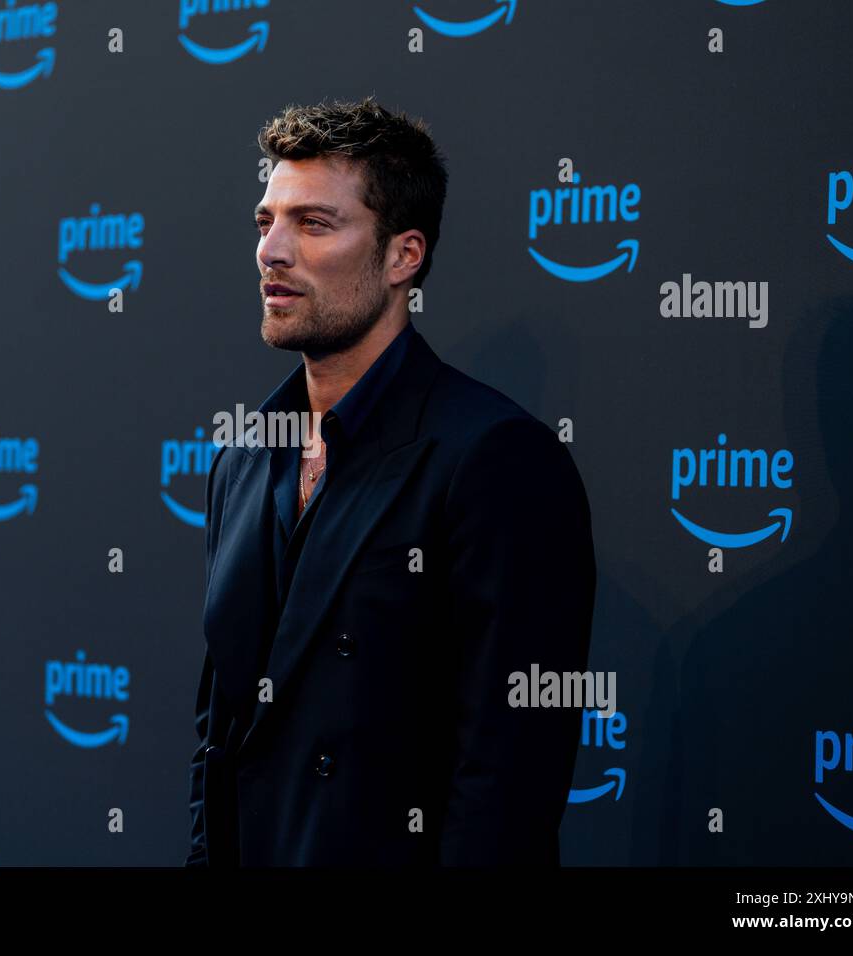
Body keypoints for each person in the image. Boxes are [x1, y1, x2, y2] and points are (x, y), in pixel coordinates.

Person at [186, 96, 596, 866]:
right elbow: (220, 739)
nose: (271, 250)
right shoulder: (244, 458)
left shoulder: (496, 458)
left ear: (404, 256)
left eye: (313, 224)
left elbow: (506, 783)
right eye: (265, 220)